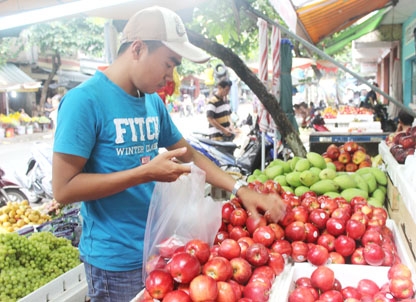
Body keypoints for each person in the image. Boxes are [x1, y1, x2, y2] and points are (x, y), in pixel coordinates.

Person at [51, 6, 285, 302]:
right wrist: (144, 173)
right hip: (116, 262)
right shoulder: (84, 102)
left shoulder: (152, 103)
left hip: (160, 251)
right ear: (137, 49)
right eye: (169, 63)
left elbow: (188, 153)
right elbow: (63, 189)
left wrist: (240, 189)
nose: (170, 76)